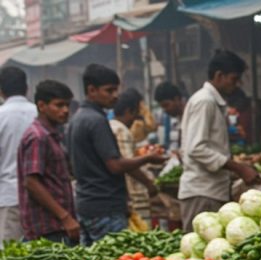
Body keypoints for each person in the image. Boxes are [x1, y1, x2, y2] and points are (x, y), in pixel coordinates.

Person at [66, 64, 166, 245]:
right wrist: (149, 158)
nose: (115, 95)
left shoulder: (77, 119)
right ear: (92, 90)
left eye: (116, 90)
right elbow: (115, 165)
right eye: (109, 90)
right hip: (105, 206)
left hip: (85, 204)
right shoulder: (96, 121)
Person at [179, 50, 260, 232]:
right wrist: (238, 168)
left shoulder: (211, 102)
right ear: (219, 75)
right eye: (234, 78)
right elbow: (196, 148)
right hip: (202, 191)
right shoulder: (204, 102)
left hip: (211, 189)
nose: (236, 84)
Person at [17, 80, 77, 243]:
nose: (65, 111)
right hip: (48, 228)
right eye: (59, 105)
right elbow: (31, 183)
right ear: (42, 106)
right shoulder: (38, 137)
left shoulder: (52, 135)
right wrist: (65, 217)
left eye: (67, 105)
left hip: (57, 226)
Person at [0, 67, 38, 242]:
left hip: (9, 195)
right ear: (27, 88)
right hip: (42, 197)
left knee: (11, 258)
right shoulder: (40, 112)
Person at [110, 88, 158, 224]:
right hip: (134, 195)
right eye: (135, 113)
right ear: (128, 111)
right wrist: (149, 184)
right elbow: (127, 164)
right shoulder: (121, 130)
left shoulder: (110, 126)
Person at [154, 82, 185, 151]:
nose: (165, 110)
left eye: (166, 105)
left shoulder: (191, 117)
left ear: (176, 99)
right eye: (162, 107)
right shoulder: (178, 119)